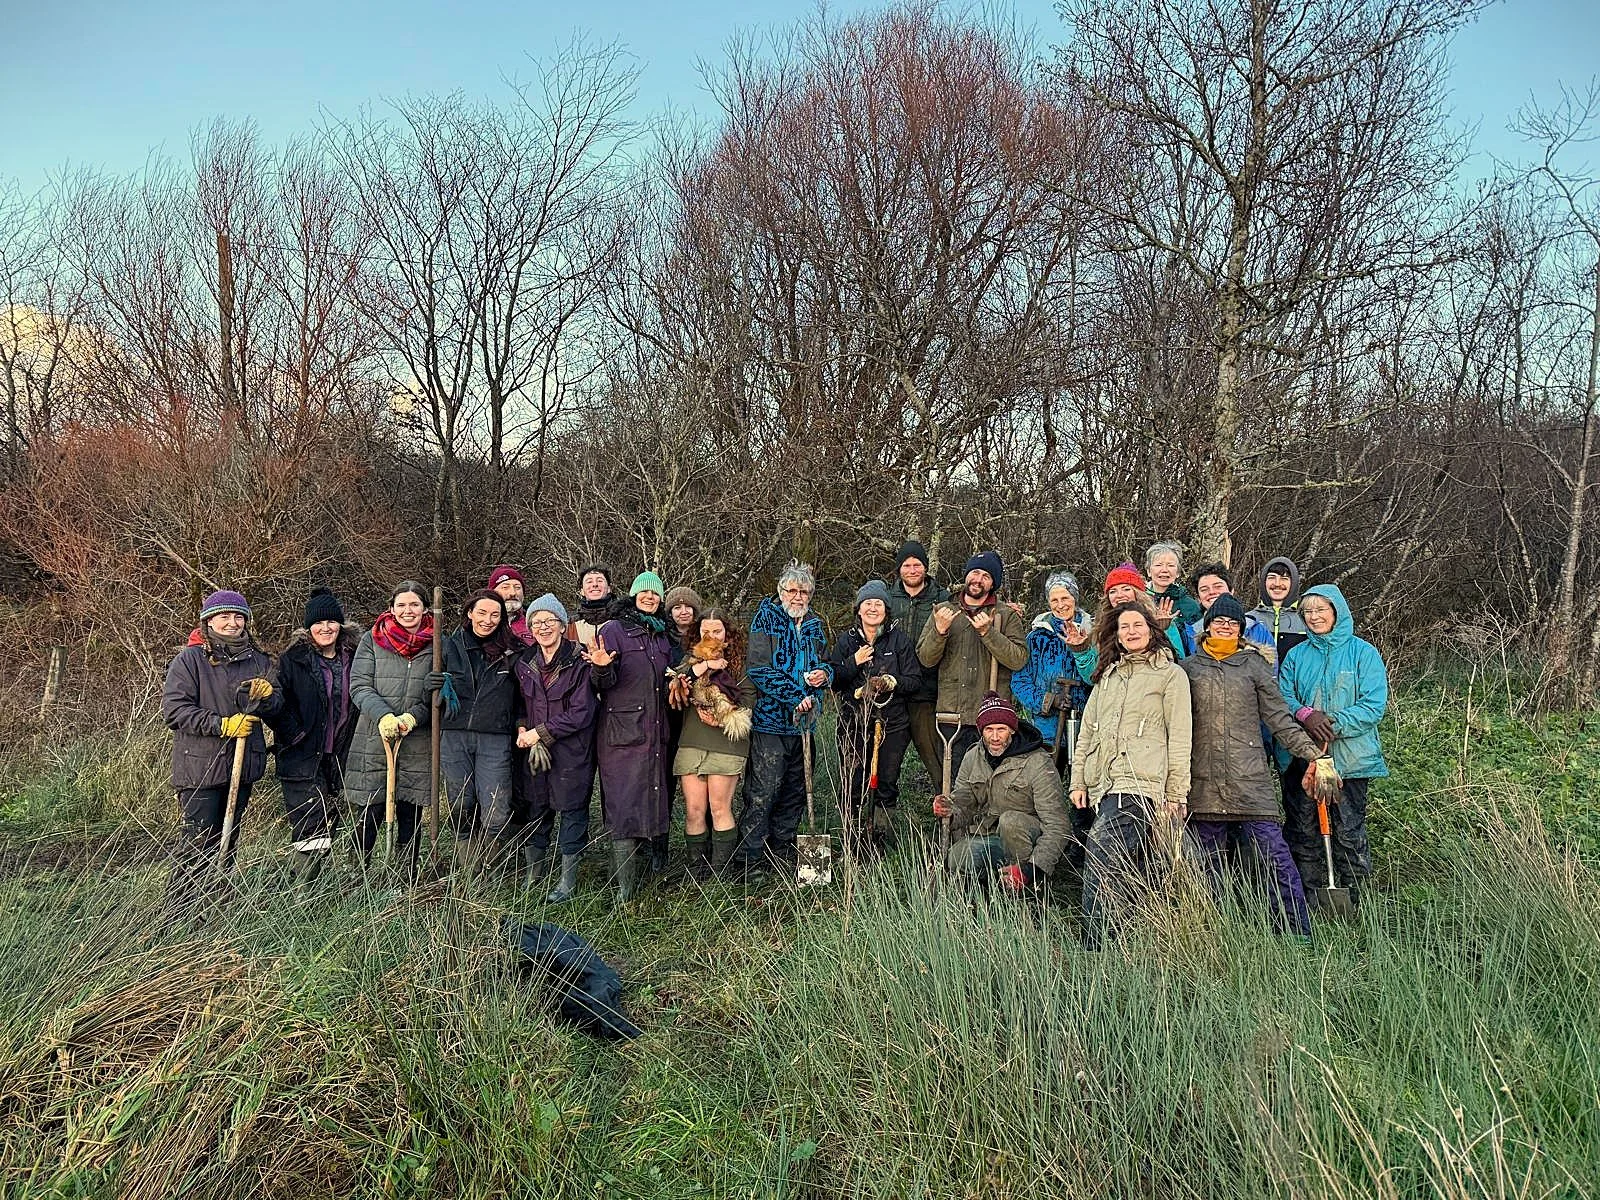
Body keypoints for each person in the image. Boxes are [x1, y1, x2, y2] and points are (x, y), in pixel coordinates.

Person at [1180, 595, 1323, 937]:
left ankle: (1294, 929)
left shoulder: (1254, 666)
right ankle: (1211, 930)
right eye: (1219, 621)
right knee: (1206, 863)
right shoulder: (1187, 669)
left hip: (1250, 780)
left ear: (1242, 630)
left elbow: (1279, 718)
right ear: (1207, 625)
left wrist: (1313, 754)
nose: (1225, 626)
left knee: (1274, 854)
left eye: (1232, 622)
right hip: (1203, 781)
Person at [1071, 603, 1193, 950]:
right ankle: (1128, 937)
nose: (1131, 631)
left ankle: (1097, 945)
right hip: (1104, 784)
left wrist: (1176, 793)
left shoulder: (1171, 675)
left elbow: (1180, 737)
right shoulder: (1108, 677)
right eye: (1124, 627)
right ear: (1117, 636)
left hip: (1141, 783)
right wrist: (1079, 780)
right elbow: (1088, 733)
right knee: (1127, 862)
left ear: (1152, 629)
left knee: (1101, 852)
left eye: (1137, 625)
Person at [160, 589, 281, 917]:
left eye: (238, 616)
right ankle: (180, 913)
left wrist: (269, 697)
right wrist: (222, 725)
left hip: (242, 767)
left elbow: (277, 708)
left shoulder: (260, 661)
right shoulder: (190, 660)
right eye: (224, 616)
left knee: (229, 837)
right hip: (200, 767)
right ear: (209, 621)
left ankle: (216, 906)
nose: (232, 622)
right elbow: (174, 711)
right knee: (198, 841)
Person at [1278, 585, 1389, 909]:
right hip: (1303, 759)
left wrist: (1333, 723)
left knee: (1348, 831)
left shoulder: (1362, 653)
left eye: (1321, 610)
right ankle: (1310, 899)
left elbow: (1373, 705)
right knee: (1303, 829)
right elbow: (1283, 696)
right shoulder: (1298, 655)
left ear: (1337, 611)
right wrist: (1306, 715)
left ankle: (1356, 901)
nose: (1314, 617)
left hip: (1350, 761)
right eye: (1308, 612)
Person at [737, 561, 833, 877]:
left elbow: (825, 664)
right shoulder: (765, 619)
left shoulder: (816, 625)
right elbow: (759, 669)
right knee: (763, 792)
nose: (798, 596)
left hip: (805, 726)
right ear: (781, 592)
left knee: (796, 793)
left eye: (804, 591)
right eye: (792, 590)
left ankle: (782, 853)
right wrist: (796, 696)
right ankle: (750, 859)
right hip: (770, 723)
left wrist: (824, 675)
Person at [588, 571, 675, 899]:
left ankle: (642, 875)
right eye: (645, 593)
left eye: (655, 594)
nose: (650, 598)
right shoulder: (614, 630)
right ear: (634, 595)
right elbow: (600, 684)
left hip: (654, 731)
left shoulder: (661, 636)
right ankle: (623, 892)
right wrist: (600, 667)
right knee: (624, 805)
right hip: (621, 734)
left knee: (650, 800)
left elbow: (663, 680)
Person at [933, 691, 1069, 894]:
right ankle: (990, 888)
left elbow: (1058, 826)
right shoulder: (973, 756)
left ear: (1012, 730)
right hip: (991, 836)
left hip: (1028, 842)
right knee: (957, 858)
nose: (995, 737)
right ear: (981, 731)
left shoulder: (1038, 762)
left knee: (1010, 822)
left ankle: (1028, 889)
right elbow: (964, 800)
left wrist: (1034, 868)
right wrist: (950, 810)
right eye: (989, 729)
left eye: (1001, 729)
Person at [268, 587, 359, 881]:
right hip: (302, 754)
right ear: (308, 628)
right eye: (318, 623)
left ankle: (322, 885)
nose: (326, 628)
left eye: (331, 622)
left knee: (333, 819)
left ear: (340, 625)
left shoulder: (356, 657)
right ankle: (303, 890)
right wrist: (294, 735)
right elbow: (276, 704)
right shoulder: (292, 660)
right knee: (310, 822)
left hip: (342, 753)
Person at [828, 579, 924, 857]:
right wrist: (852, 663)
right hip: (852, 722)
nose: (872, 608)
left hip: (891, 723)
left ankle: (880, 840)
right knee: (853, 780)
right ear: (858, 609)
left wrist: (893, 681)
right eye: (867, 603)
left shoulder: (899, 640)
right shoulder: (847, 641)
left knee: (885, 781)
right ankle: (853, 839)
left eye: (878, 604)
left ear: (886, 609)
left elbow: (914, 680)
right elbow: (833, 679)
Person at [514, 593, 597, 903]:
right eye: (536, 622)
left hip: (572, 751)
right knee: (538, 808)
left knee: (572, 810)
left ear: (563, 625)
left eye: (549, 621)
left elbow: (581, 712)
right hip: (536, 752)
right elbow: (521, 703)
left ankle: (567, 881)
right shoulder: (525, 662)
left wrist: (540, 733)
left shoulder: (579, 660)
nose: (542, 627)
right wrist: (523, 725)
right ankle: (533, 876)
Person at [1009, 571, 1096, 868]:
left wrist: (1080, 700)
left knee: (1084, 787)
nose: (1061, 604)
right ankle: (1043, 848)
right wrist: (1047, 701)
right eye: (1054, 599)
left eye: (1066, 598)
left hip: (1086, 725)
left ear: (1076, 597)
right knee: (1046, 789)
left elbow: (1099, 676)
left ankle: (1082, 847)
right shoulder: (1037, 638)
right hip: (1047, 731)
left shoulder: (1093, 631)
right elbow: (1020, 682)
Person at [347, 581, 437, 869]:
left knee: (410, 813)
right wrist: (384, 716)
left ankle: (405, 877)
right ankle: (356, 872)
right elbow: (359, 685)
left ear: (425, 608)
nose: (408, 611)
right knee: (371, 809)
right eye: (401, 605)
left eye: (414, 604)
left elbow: (437, 696)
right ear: (391, 608)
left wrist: (413, 717)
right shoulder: (372, 640)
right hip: (376, 737)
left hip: (417, 740)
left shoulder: (438, 643)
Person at [915, 550, 1029, 775]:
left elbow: (1018, 660)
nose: (978, 579)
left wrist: (988, 633)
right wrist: (939, 631)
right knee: (955, 782)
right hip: (951, 714)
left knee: (991, 781)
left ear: (993, 583)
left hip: (991, 717)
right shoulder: (942, 612)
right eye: (975, 572)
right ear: (966, 575)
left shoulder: (1005, 616)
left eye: (986, 576)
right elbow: (926, 659)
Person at [668, 607, 754, 879]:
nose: (712, 635)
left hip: (726, 744)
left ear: (727, 634)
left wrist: (722, 717)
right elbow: (676, 681)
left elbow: (749, 700)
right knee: (694, 810)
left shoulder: (741, 664)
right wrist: (704, 666)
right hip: (692, 741)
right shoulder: (689, 661)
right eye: (706, 631)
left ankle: (721, 874)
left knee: (719, 808)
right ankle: (697, 871)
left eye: (717, 630)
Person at [439, 590, 522, 868]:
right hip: (454, 735)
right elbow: (432, 692)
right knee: (460, 804)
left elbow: (526, 695)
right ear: (469, 613)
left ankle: (491, 866)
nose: (488, 620)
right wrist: (433, 686)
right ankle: (469, 868)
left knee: (496, 807)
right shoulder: (448, 647)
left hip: (495, 737)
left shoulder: (513, 652)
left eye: (495, 615)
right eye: (482, 613)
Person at [886, 539, 951, 788]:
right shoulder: (887, 599)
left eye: (917, 564)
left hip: (926, 692)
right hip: (892, 693)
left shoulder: (942, 598)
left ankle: (948, 815)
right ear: (899, 569)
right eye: (907, 565)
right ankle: (879, 818)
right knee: (887, 762)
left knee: (935, 757)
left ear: (925, 567)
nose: (912, 570)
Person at [1187, 563, 1277, 662]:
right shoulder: (1190, 633)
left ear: (1231, 591)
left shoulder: (1257, 630)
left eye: (1218, 586)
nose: (1211, 592)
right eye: (1204, 589)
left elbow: (1271, 672)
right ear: (1198, 598)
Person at [1247, 556, 1310, 668]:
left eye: (1284, 578)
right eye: (1272, 577)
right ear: (1263, 582)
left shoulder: (1307, 621)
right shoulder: (1248, 620)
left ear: (1294, 583)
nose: (1277, 583)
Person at [1145, 541, 1202, 652]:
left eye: (1170, 565)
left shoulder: (1189, 605)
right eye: (1158, 565)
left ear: (1178, 572)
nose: (1164, 570)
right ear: (1148, 571)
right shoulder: (1139, 601)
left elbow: (1197, 643)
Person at [569, 563, 618, 650]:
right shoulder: (571, 626)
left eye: (600, 581)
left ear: (609, 588)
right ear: (582, 591)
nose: (595, 584)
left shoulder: (622, 620)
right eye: (589, 581)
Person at [488, 564, 532, 644]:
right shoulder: (480, 623)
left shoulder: (534, 623)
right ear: (492, 592)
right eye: (505, 587)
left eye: (517, 587)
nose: (513, 593)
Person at [664, 586, 704, 661]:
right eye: (677, 608)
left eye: (688, 607)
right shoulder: (662, 637)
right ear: (670, 613)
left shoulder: (704, 634)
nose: (684, 612)